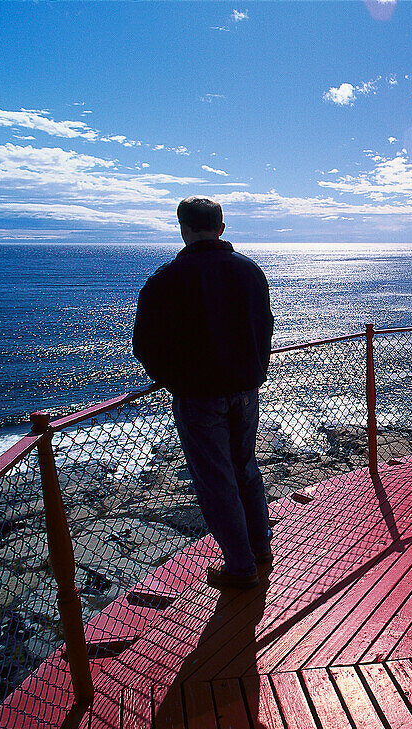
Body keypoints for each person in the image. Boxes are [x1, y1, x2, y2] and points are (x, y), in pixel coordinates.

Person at [133, 196, 275, 590]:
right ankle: (260, 548)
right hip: (245, 391)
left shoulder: (166, 279)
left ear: (182, 228)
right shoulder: (250, 271)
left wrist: (174, 381)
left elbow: (145, 345)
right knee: (245, 468)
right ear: (221, 228)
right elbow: (265, 327)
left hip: (198, 396)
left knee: (216, 480)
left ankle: (241, 567)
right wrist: (253, 373)